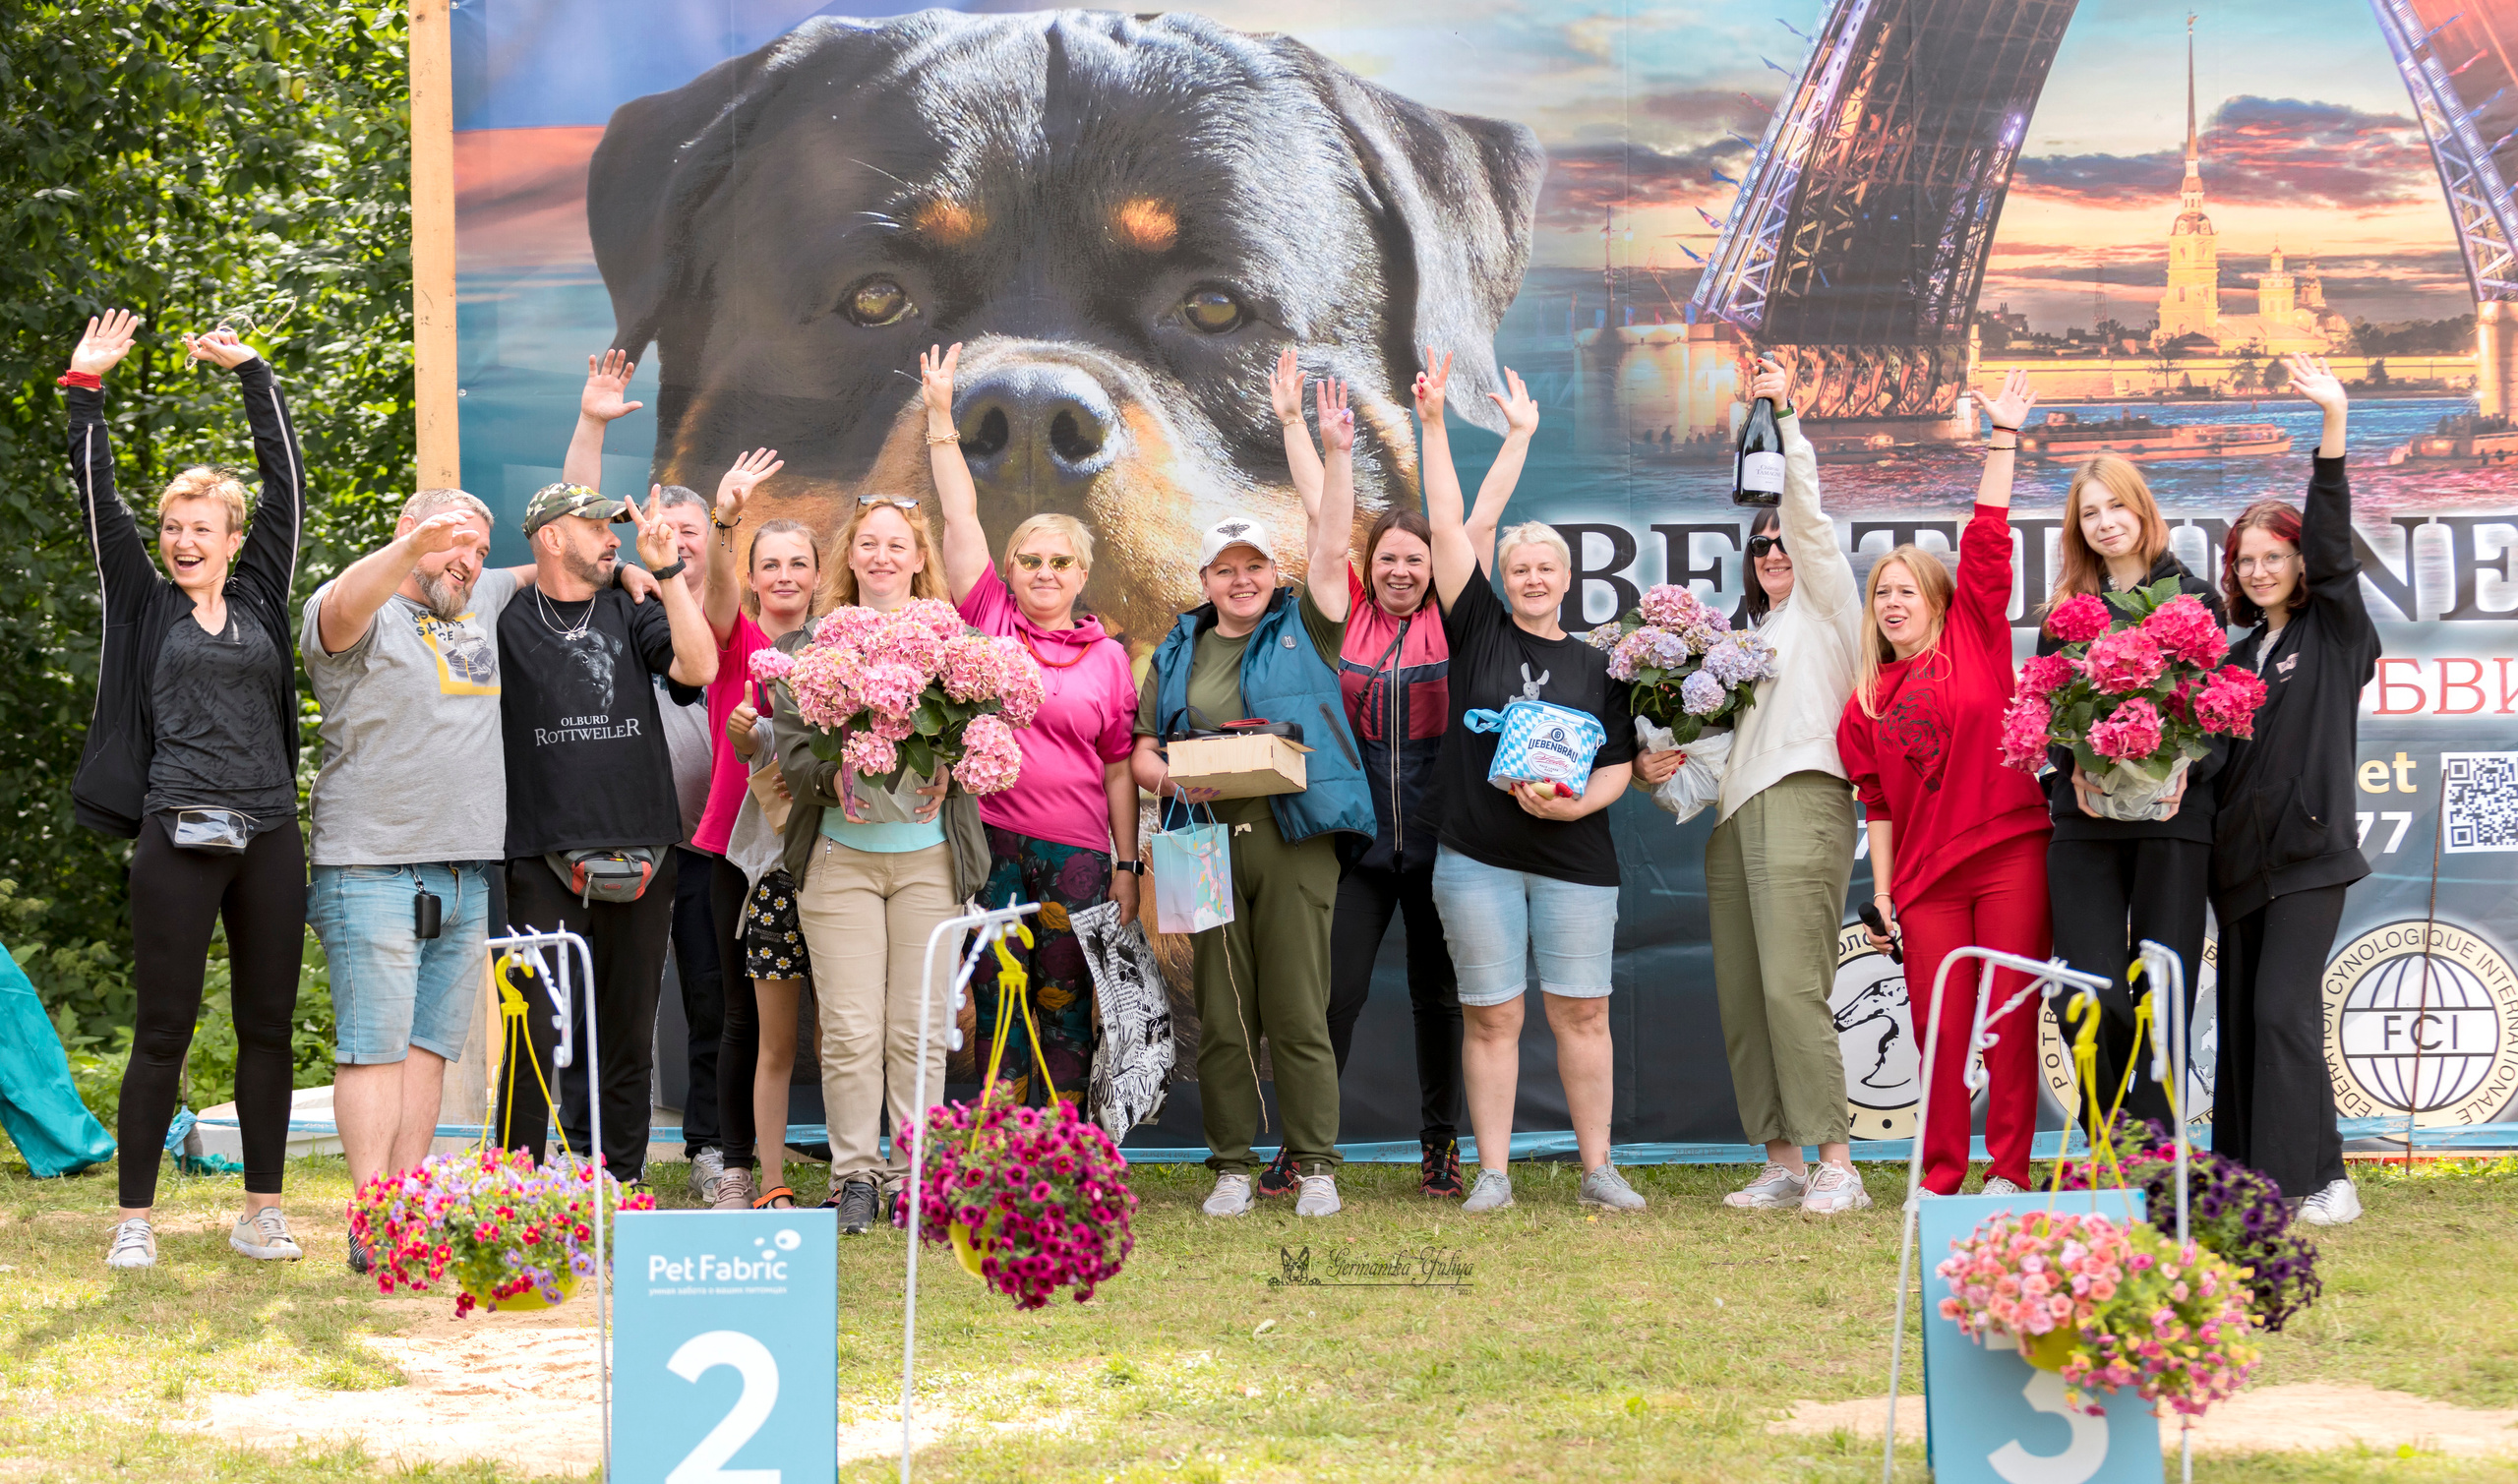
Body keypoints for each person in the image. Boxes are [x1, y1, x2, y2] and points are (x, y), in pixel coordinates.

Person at [66, 313, 313, 1271]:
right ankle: (134, 1221)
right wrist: (85, 392)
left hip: (270, 831)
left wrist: (253, 370)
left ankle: (261, 1211)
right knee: (164, 1030)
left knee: (266, 1028)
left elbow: (285, 479)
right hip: (175, 830)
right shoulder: (142, 597)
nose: (179, 540)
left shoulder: (259, 593)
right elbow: (99, 499)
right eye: (172, 527)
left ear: (233, 537)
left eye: (198, 528)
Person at [1132, 373, 1368, 1220]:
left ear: (1275, 573)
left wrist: (1331, 450)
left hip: (1292, 833)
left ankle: (1314, 1167)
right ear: (1204, 576)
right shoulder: (1177, 647)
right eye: (1225, 569)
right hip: (1199, 833)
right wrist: (1168, 777)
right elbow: (1144, 748)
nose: (1241, 580)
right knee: (1224, 1011)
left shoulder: (1309, 622)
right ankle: (1231, 1161)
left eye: (1255, 566)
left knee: (1297, 1007)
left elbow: (1333, 542)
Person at [1639, 357, 1868, 1215]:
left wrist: (1786, 421)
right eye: (1759, 543)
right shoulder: (1739, 640)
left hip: (1805, 798)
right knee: (1742, 994)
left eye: (1781, 542)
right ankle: (1783, 1161)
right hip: (1733, 818)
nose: (1773, 550)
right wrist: (1663, 772)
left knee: (1789, 987)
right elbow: (1713, 758)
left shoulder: (1829, 610)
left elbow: (1806, 522)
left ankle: (1837, 1162)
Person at [1420, 359, 1646, 1216]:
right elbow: (1451, 522)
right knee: (1492, 1016)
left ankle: (1598, 1170)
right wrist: (1440, 423)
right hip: (1475, 854)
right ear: (1502, 580)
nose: (1534, 577)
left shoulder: (1600, 665)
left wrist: (1579, 801)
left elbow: (1620, 761)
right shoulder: (1473, 630)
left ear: (1569, 577)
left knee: (1583, 1013)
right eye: (1520, 566)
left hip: (1575, 857)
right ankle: (1493, 1174)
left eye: (1548, 566)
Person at [1837, 370, 2054, 1199]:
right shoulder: (1863, 704)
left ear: (1937, 600)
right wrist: (1884, 893)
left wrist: (2001, 437)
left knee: (2007, 1019)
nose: (1893, 601)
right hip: (1925, 883)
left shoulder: (1976, 632)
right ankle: (1939, 1173)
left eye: (1907, 590)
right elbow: (1878, 806)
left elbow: (1989, 533)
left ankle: (2007, 1169)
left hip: (2008, 850)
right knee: (1936, 1026)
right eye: (1881, 592)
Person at [923, 344, 1144, 1109]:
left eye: (1059, 560)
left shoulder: (1109, 657)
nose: (1043, 572)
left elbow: (1118, 767)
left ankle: (1064, 1155)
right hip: (993, 847)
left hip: (1079, 855)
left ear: (1082, 573)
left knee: (1067, 1006)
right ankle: (1002, 1157)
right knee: (998, 1004)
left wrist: (1128, 865)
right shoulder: (987, 619)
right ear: (1008, 571)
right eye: (1029, 560)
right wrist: (939, 420)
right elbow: (958, 512)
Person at [302, 486, 513, 1272]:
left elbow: (543, 560)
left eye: (480, 550)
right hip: (372, 867)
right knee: (373, 1048)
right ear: (406, 532)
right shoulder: (357, 608)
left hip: (464, 871)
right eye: (453, 542)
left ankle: (408, 1209)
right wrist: (413, 544)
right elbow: (343, 605)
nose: (470, 561)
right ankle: (369, 1219)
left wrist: (628, 573)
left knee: (430, 1050)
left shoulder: (474, 595)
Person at [1274, 345, 1465, 1200]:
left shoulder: (1455, 626)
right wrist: (1302, 432)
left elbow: (1462, 524)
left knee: (1440, 1002)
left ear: (1431, 572)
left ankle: (1441, 1148)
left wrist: (1432, 428)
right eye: (1386, 556)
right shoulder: (1343, 611)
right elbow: (1326, 515)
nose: (1398, 568)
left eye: (1413, 560)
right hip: (1354, 844)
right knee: (1332, 1001)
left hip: (1436, 842)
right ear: (1371, 563)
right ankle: (1304, 1146)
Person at [773, 495, 990, 1235]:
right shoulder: (815, 645)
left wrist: (951, 767)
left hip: (929, 863)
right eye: (868, 544)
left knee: (919, 1028)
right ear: (851, 556)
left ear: (920, 556)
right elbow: (792, 754)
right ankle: (854, 1176)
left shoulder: (956, 643)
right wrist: (828, 778)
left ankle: (913, 1176)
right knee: (852, 1027)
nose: (882, 557)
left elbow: (982, 739)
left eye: (897, 545)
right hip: (841, 864)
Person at [494, 479, 717, 1188]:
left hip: (644, 850)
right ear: (553, 536)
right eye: (597, 526)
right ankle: (516, 1185)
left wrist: (666, 573)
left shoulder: (632, 604)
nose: (614, 535)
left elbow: (699, 668)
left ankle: (619, 1181)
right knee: (534, 1030)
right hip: (540, 855)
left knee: (627, 1030)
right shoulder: (504, 617)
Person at [560, 351, 733, 1200]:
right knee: (605, 1007)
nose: (674, 541)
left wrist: (708, 540)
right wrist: (592, 423)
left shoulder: (718, 617)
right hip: (621, 839)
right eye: (661, 530)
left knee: (708, 999)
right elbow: (571, 519)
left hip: (707, 845)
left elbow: (706, 650)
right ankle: (581, 1152)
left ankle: (706, 1144)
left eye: (690, 533)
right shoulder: (621, 604)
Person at [2211, 355, 2374, 1226]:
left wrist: (2333, 432)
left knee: (2280, 1011)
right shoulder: (2237, 658)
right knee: (2243, 1022)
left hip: (2310, 857)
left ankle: (2315, 1180)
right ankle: (2250, 1177)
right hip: (2240, 868)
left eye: (2277, 556)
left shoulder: (2335, 632)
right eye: (2247, 560)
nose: (2261, 571)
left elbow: (2339, 553)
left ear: (2300, 562)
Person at [2034, 454, 2226, 1140]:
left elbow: (2219, 713)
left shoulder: (2196, 599)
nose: (2106, 522)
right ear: (2077, 528)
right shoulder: (2066, 615)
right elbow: (2047, 710)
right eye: (2090, 512)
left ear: (2143, 510)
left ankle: (2153, 1150)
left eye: (2117, 506)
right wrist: (2067, 769)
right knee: (2083, 987)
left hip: (2173, 817)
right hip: (2084, 818)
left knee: (2160, 988)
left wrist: (2187, 774)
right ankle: (2112, 1131)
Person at [693, 448, 829, 1213]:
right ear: (750, 576)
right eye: (768, 563)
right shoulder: (736, 641)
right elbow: (712, 599)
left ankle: (852, 1170)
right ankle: (738, 1168)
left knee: (836, 1018)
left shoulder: (838, 651)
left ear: (816, 574)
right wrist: (724, 520)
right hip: (733, 855)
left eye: (796, 564)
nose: (783, 575)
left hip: (825, 854)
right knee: (740, 1016)